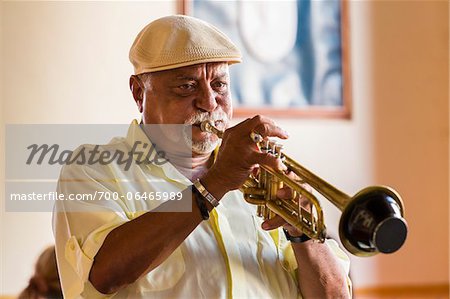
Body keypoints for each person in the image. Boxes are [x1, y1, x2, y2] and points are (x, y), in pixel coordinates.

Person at [53, 15, 351, 298]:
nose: (209, 103)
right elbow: (105, 274)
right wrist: (216, 183)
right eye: (186, 86)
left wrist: (303, 234)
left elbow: (334, 295)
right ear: (138, 93)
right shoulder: (94, 168)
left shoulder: (260, 174)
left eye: (219, 85)